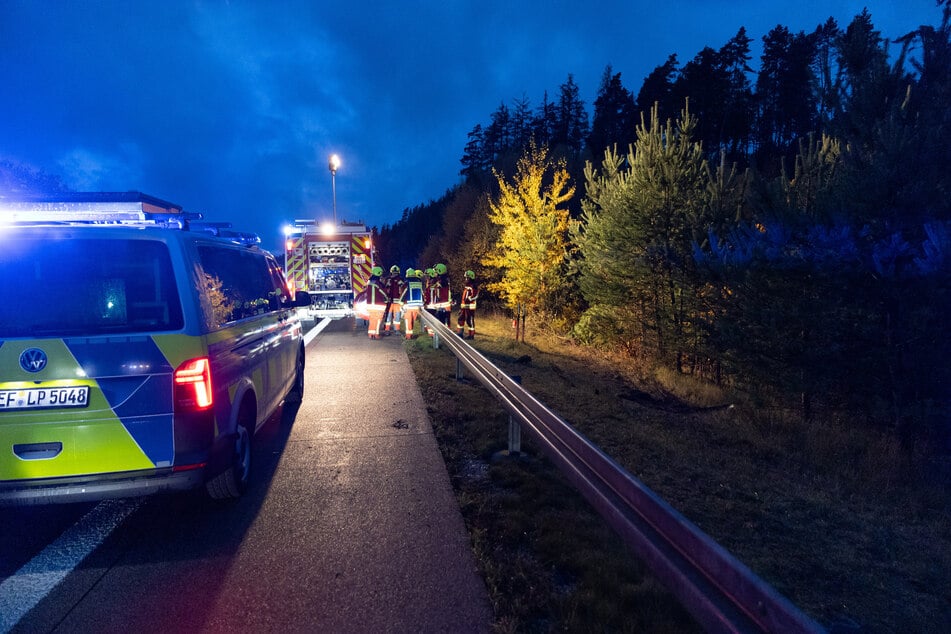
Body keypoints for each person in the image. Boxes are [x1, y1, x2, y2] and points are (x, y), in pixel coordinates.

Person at [365, 266, 389, 339]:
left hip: (369, 305)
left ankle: (370, 334)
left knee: (372, 319)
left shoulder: (369, 282)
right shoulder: (378, 283)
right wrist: (387, 300)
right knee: (378, 320)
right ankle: (376, 334)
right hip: (379, 305)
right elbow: (383, 293)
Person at [401, 268, 424, 339]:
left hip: (408, 305)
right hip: (417, 305)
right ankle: (410, 333)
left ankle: (408, 336)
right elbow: (422, 293)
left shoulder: (406, 283)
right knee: (412, 320)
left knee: (408, 320)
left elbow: (404, 292)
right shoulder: (419, 283)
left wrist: (401, 302)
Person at [456, 269, 480, 339]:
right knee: (460, 319)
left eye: (467, 278)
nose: (466, 279)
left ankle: (471, 335)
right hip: (464, 306)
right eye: (466, 277)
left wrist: (469, 298)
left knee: (469, 320)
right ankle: (460, 333)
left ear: (471, 277)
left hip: (470, 306)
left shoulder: (473, 286)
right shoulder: (467, 285)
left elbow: (475, 295)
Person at [382, 265, 404, 334]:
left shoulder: (388, 279)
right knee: (395, 316)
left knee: (390, 316)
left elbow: (384, 288)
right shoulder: (400, 279)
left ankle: (388, 330)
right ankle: (394, 330)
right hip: (394, 301)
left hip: (390, 301)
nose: (395, 274)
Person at [432, 262, 452, 327]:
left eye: (435, 271)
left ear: (439, 271)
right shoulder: (445, 279)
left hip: (443, 304)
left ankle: (444, 335)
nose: (434, 273)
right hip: (444, 304)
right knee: (445, 321)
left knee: (442, 321)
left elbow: (436, 288)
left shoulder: (443, 281)